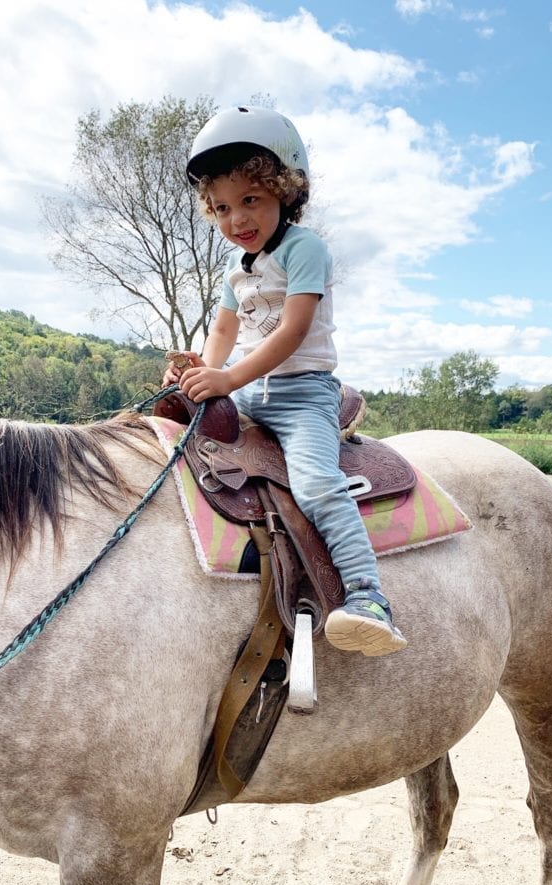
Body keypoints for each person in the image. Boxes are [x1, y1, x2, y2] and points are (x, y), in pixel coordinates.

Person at [163, 106, 407, 657]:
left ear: (285, 193)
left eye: (251, 199)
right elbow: (224, 330)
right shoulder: (236, 269)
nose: (237, 219)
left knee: (317, 483)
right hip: (249, 389)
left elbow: (293, 331)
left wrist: (225, 377)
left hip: (301, 394)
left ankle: (368, 596)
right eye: (222, 207)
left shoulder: (305, 249)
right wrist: (199, 371)